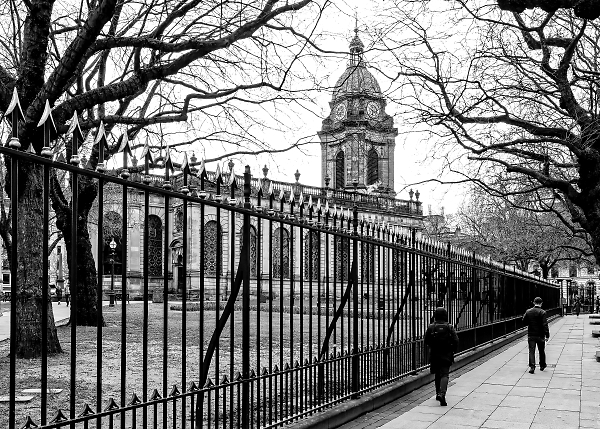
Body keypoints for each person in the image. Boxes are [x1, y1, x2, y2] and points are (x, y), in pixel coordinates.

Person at [424, 307, 459, 406]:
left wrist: (432, 346)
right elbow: (456, 340)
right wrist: (453, 350)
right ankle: (442, 394)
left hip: (434, 354)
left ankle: (437, 393)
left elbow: (426, 340)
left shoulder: (431, 327)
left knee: (437, 374)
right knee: (444, 374)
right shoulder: (449, 327)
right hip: (446, 354)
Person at [522, 297, 549, 374]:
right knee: (541, 351)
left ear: (534, 303)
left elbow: (524, 321)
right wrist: (547, 335)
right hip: (540, 335)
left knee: (531, 351)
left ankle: (532, 366)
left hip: (531, 335)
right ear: (541, 303)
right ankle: (542, 365)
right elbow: (545, 325)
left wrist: (530, 323)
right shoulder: (543, 312)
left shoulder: (528, 311)